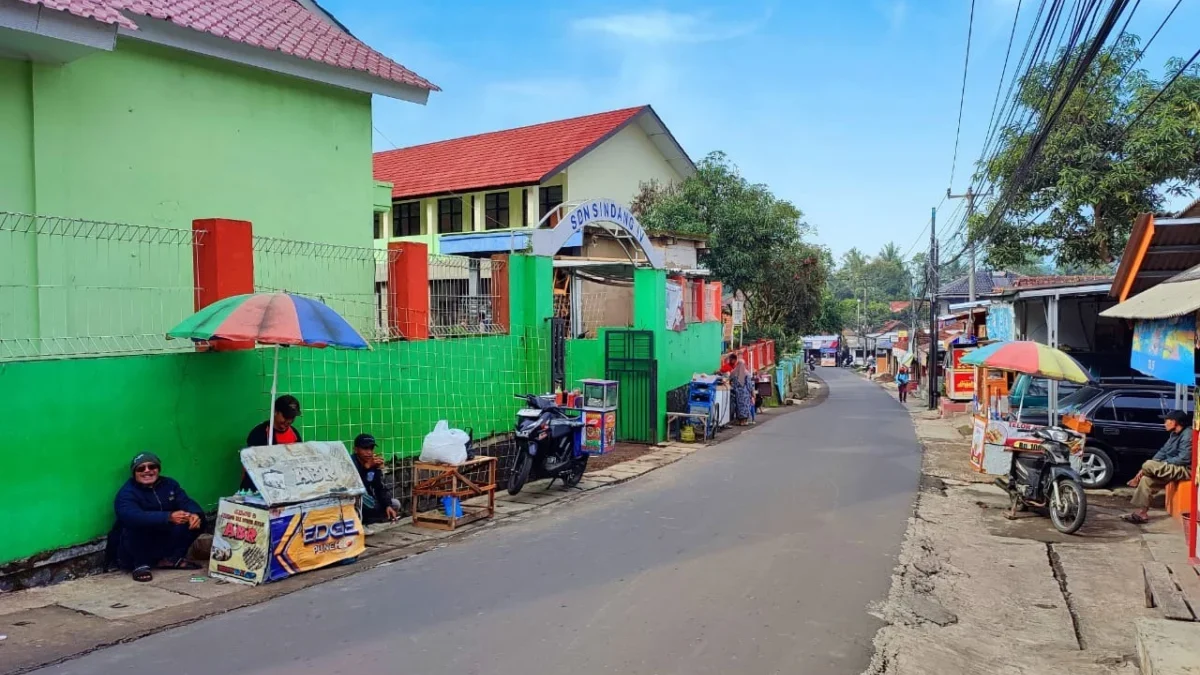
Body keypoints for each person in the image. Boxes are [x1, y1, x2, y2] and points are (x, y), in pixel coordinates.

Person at [109, 452, 205, 582]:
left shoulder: (169, 484)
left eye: (152, 467)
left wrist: (195, 514)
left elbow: (186, 502)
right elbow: (130, 515)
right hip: (135, 545)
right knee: (133, 525)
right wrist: (168, 517)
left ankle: (171, 559)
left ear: (158, 469)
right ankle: (140, 564)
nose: (147, 471)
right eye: (141, 468)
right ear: (134, 473)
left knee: (198, 520)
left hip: (162, 535)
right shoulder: (127, 492)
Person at [1123, 410, 1193, 524]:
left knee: (1148, 465)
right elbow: (1163, 451)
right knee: (1146, 479)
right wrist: (1152, 465)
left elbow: (1183, 459)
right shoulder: (1173, 435)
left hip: (1184, 469)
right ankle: (1142, 513)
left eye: (1167, 421)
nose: (1165, 423)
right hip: (1171, 467)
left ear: (1175, 422)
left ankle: (1137, 478)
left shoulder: (1187, 434)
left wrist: (1161, 464)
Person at [241, 395, 303, 490]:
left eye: (292, 417)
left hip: (286, 487)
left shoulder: (294, 435)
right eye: (286, 416)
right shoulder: (259, 433)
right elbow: (251, 468)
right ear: (275, 412)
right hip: (259, 489)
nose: (289, 421)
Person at [351, 434, 401, 526]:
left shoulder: (373, 463)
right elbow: (354, 487)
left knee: (394, 504)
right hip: (352, 501)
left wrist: (387, 505)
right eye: (365, 449)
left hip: (367, 500)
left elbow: (379, 488)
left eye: (371, 448)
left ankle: (367, 522)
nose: (369, 452)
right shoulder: (350, 463)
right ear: (356, 450)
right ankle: (359, 525)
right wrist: (366, 467)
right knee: (361, 500)